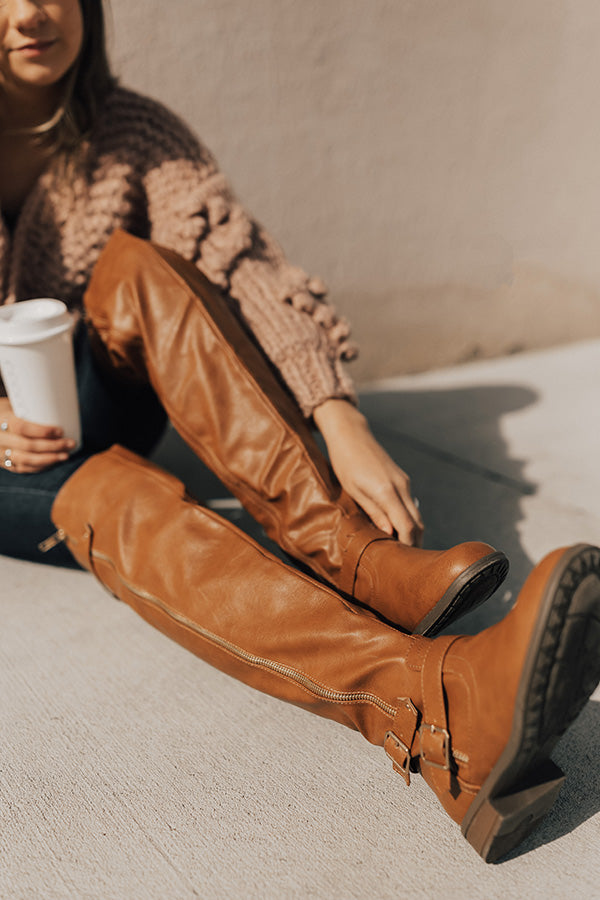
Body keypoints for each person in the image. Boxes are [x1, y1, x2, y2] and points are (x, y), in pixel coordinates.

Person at [0, 0, 599, 863]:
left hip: (97, 389)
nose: (31, 12)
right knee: (123, 492)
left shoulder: (134, 133)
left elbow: (238, 265)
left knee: (138, 264)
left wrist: (336, 412)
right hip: (14, 465)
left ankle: (355, 555)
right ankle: (431, 708)